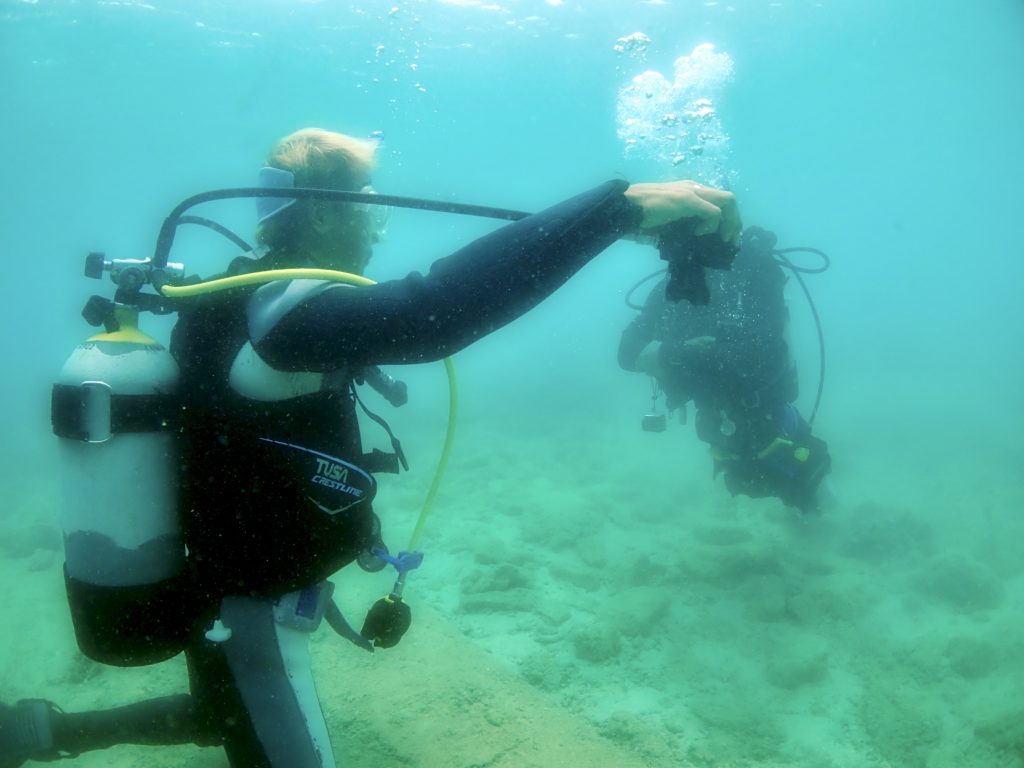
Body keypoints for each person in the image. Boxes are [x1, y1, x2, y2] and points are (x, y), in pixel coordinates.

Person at [1, 128, 741, 767]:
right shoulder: (284, 316)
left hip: (214, 576)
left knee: (228, 714)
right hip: (251, 604)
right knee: (256, 721)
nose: (377, 221)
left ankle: (47, 733)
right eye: (366, 197)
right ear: (332, 206)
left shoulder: (241, 297)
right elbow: (431, 311)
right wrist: (617, 209)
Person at [618, 225, 830, 513]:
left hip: (771, 418)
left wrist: (669, 354)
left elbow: (766, 359)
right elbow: (626, 354)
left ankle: (821, 513)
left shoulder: (751, 280)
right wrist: (683, 352)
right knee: (742, 481)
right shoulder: (672, 286)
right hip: (716, 426)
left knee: (806, 492)